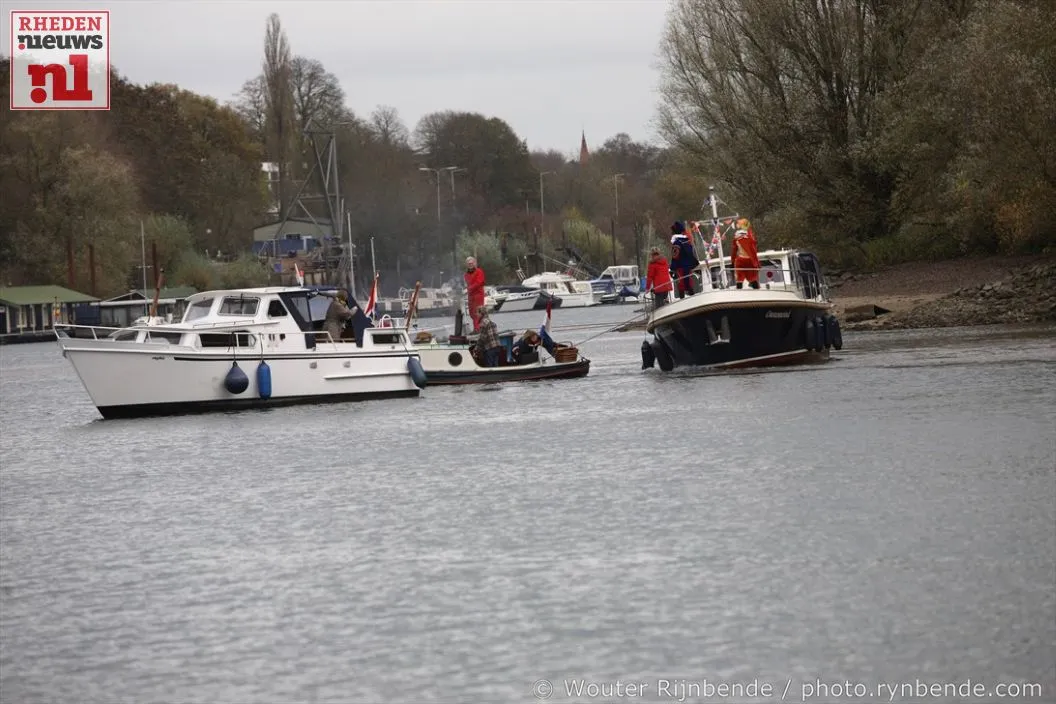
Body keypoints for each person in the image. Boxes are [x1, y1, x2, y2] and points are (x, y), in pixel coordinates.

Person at [669, 221, 699, 298]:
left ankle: (682, 300)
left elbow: (675, 257)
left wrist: (672, 268)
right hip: (688, 267)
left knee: (681, 285)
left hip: (680, 268)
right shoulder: (687, 241)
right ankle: (693, 298)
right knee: (689, 283)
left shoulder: (676, 243)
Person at [732, 218, 761, 289]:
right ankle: (757, 291)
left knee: (742, 279)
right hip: (745, 260)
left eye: (738, 223)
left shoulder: (743, 237)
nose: (736, 225)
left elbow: (734, 250)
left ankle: (739, 293)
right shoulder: (748, 236)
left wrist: (732, 261)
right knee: (749, 279)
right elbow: (753, 251)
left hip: (744, 260)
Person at [464, 256, 486, 332]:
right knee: (471, 313)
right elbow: (467, 284)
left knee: (478, 313)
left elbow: (479, 282)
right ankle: (476, 328)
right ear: (466, 264)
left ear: (474, 263)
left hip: (478, 295)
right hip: (471, 296)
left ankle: (478, 329)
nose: (470, 264)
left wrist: (469, 288)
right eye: (468, 263)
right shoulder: (466, 274)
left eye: (471, 263)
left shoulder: (479, 271)